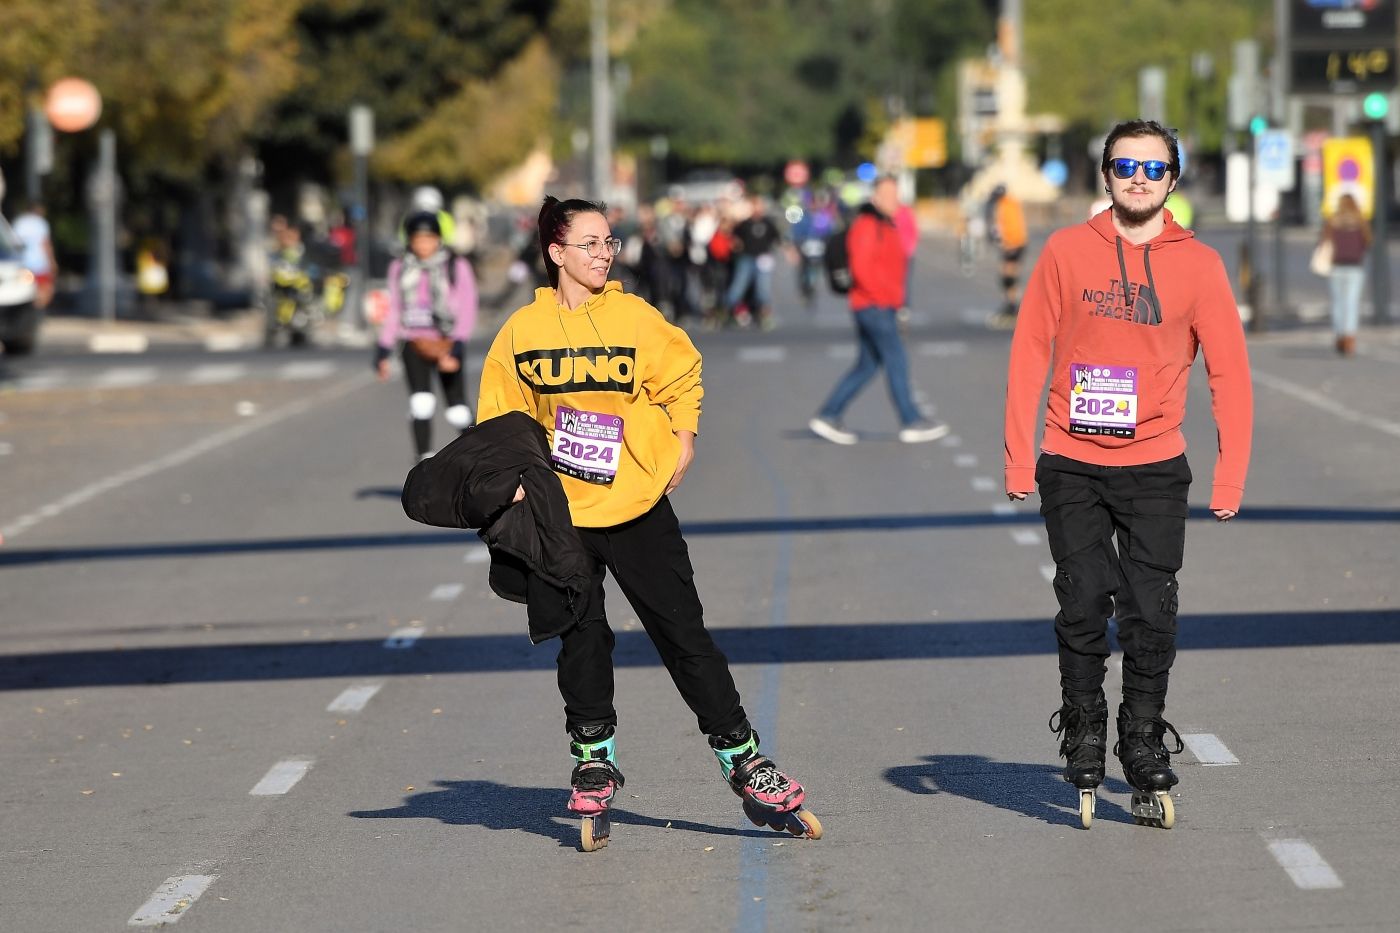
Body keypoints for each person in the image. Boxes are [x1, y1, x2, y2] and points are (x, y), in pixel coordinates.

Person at [476, 196, 821, 848]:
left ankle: (743, 758)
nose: (604, 253)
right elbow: (501, 417)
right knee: (582, 635)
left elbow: (681, 370)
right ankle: (593, 757)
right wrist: (514, 486)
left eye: (609, 242)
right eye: (590, 244)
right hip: (563, 511)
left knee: (682, 633)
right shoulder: (522, 332)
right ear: (556, 253)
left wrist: (684, 436)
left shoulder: (634, 316)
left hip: (636, 501)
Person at [1003, 119, 1253, 829]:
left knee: (1151, 610)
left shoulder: (1199, 265)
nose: (1137, 178)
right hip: (1071, 460)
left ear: (1172, 179)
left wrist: (1229, 475)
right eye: (1124, 165)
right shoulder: (1065, 251)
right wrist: (1019, 456)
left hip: (1154, 466)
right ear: (1104, 175)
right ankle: (1083, 730)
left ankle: (1140, 740)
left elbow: (1229, 371)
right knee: (1083, 600)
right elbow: (1029, 352)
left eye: (1152, 167)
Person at [808, 176, 948, 445]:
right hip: (874, 306)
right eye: (887, 195)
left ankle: (828, 414)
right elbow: (861, 269)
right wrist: (883, 298)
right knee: (897, 360)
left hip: (879, 305)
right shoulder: (868, 225)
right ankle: (911, 420)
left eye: (896, 195)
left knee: (867, 365)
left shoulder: (886, 224)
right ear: (875, 198)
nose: (894, 200)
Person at [375, 211, 478, 460]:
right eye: (418, 239)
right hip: (414, 342)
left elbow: (467, 307)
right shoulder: (400, 267)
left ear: (438, 239)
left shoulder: (456, 265)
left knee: (457, 410)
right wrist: (383, 350)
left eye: (429, 238)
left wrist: (456, 347)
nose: (424, 245)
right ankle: (425, 462)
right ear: (409, 240)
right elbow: (396, 309)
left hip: (447, 341)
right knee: (421, 403)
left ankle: (480, 459)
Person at [1319, 193, 1371, 356]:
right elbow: (1368, 241)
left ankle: (1340, 334)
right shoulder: (1360, 221)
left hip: (1336, 266)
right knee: (1351, 303)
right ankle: (1349, 336)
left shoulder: (1332, 221)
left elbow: (1324, 241)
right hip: (1355, 266)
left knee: (1338, 302)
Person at [723, 195, 782, 329]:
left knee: (763, 289)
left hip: (763, 259)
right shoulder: (745, 223)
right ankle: (728, 312)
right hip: (747, 258)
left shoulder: (768, 223)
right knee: (738, 287)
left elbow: (778, 238)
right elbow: (732, 236)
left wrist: (789, 251)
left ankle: (765, 315)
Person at [986, 185, 1028, 329]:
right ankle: (1011, 303)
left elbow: (1011, 227)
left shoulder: (1006, 206)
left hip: (1013, 244)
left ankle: (1013, 305)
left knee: (1008, 277)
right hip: (1015, 243)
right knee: (1009, 276)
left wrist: (1008, 244)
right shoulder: (1010, 204)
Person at [12, 202, 56, 310]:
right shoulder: (40, 223)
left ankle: (30, 311)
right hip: (39, 262)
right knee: (45, 289)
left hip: (22, 263)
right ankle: (37, 312)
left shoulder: (19, 222)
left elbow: (14, 243)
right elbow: (45, 244)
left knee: (25, 290)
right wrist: (52, 262)